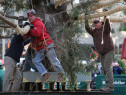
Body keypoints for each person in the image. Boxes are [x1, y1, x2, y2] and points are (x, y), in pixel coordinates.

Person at [25, 9, 64, 84]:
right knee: (35, 60)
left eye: (31, 16)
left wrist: (29, 30)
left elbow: (37, 33)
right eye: (28, 16)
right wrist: (23, 30)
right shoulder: (31, 25)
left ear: (35, 16)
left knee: (54, 61)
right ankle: (46, 74)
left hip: (47, 45)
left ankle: (61, 75)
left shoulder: (38, 23)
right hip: (41, 47)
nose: (29, 18)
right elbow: (27, 35)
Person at [85, 16, 114, 92]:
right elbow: (87, 28)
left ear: (101, 22)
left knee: (107, 67)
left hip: (109, 51)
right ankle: (108, 85)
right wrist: (86, 18)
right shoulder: (94, 32)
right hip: (102, 53)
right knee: (104, 69)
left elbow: (108, 25)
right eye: (94, 22)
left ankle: (110, 86)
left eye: (96, 22)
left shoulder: (105, 29)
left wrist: (106, 17)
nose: (95, 24)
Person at [3, 23, 31, 92]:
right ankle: (5, 93)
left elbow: (28, 40)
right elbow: (18, 30)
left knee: (18, 77)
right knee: (8, 78)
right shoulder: (17, 37)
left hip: (13, 61)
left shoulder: (21, 42)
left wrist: (33, 37)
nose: (26, 37)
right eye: (25, 36)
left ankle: (14, 92)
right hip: (10, 59)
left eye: (27, 37)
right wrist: (21, 23)